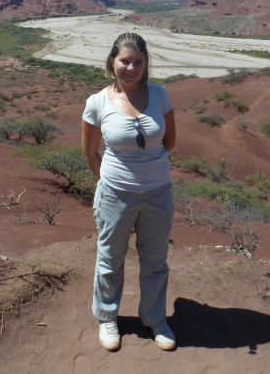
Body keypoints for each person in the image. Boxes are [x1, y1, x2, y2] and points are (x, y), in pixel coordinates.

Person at [82, 32, 177, 351]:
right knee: (110, 257)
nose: (131, 67)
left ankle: (155, 319)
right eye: (125, 60)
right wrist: (111, 182)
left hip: (158, 193)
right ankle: (108, 317)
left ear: (146, 64)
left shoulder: (160, 95)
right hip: (115, 194)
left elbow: (170, 142)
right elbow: (90, 152)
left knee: (156, 259)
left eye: (138, 62)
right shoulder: (97, 102)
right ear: (112, 61)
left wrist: (149, 171)